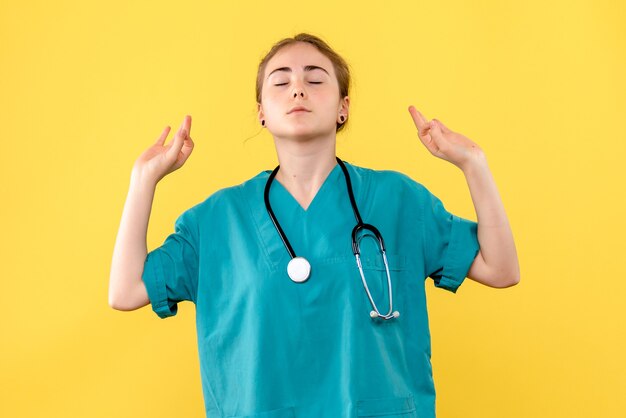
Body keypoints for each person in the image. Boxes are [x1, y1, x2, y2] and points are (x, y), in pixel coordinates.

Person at [109, 33, 520, 418]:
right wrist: (143, 181)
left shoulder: (399, 200)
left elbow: (500, 269)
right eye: (280, 81)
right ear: (261, 113)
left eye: (315, 79)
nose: (298, 90)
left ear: (344, 106)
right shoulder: (216, 220)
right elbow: (125, 292)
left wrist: (474, 164)